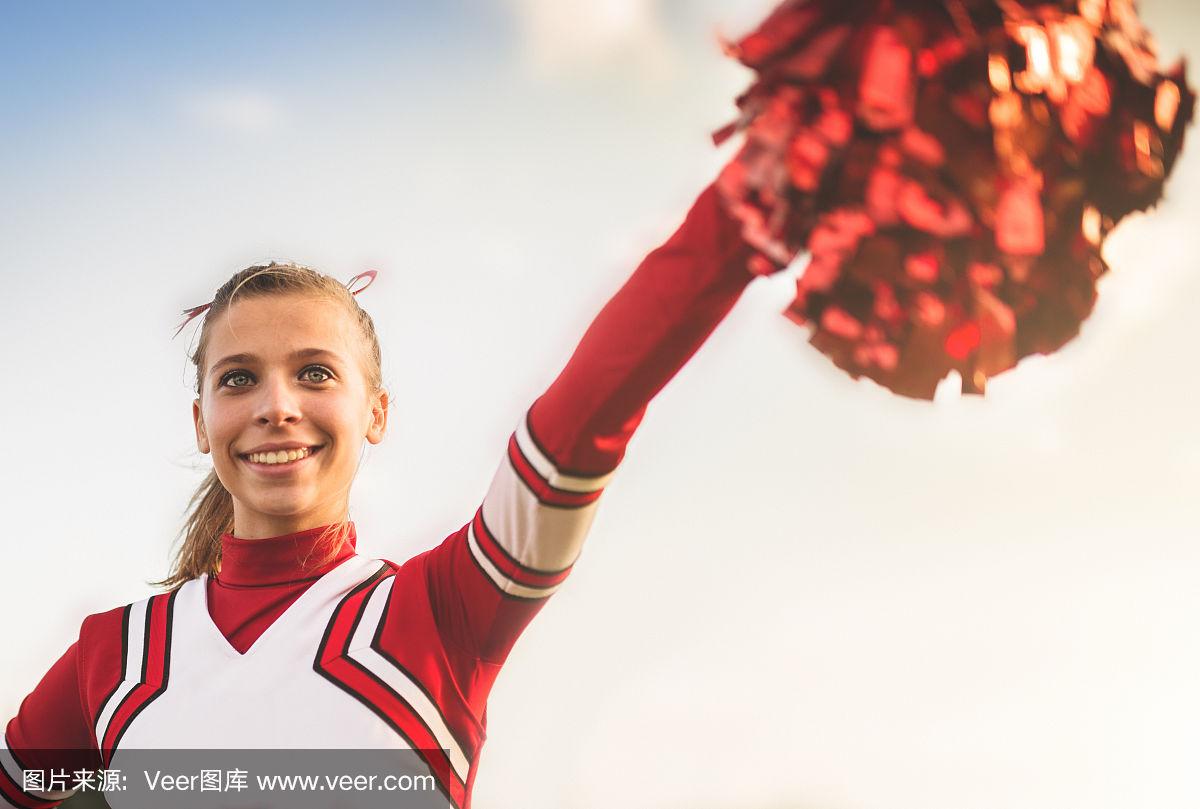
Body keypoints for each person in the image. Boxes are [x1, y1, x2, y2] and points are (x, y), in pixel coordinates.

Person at [1, 180, 763, 809]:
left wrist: (743, 211)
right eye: (239, 378)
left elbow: (575, 427)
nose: (277, 405)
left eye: (316, 372)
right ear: (202, 422)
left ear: (377, 412)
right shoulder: (113, 655)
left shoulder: (441, 611)